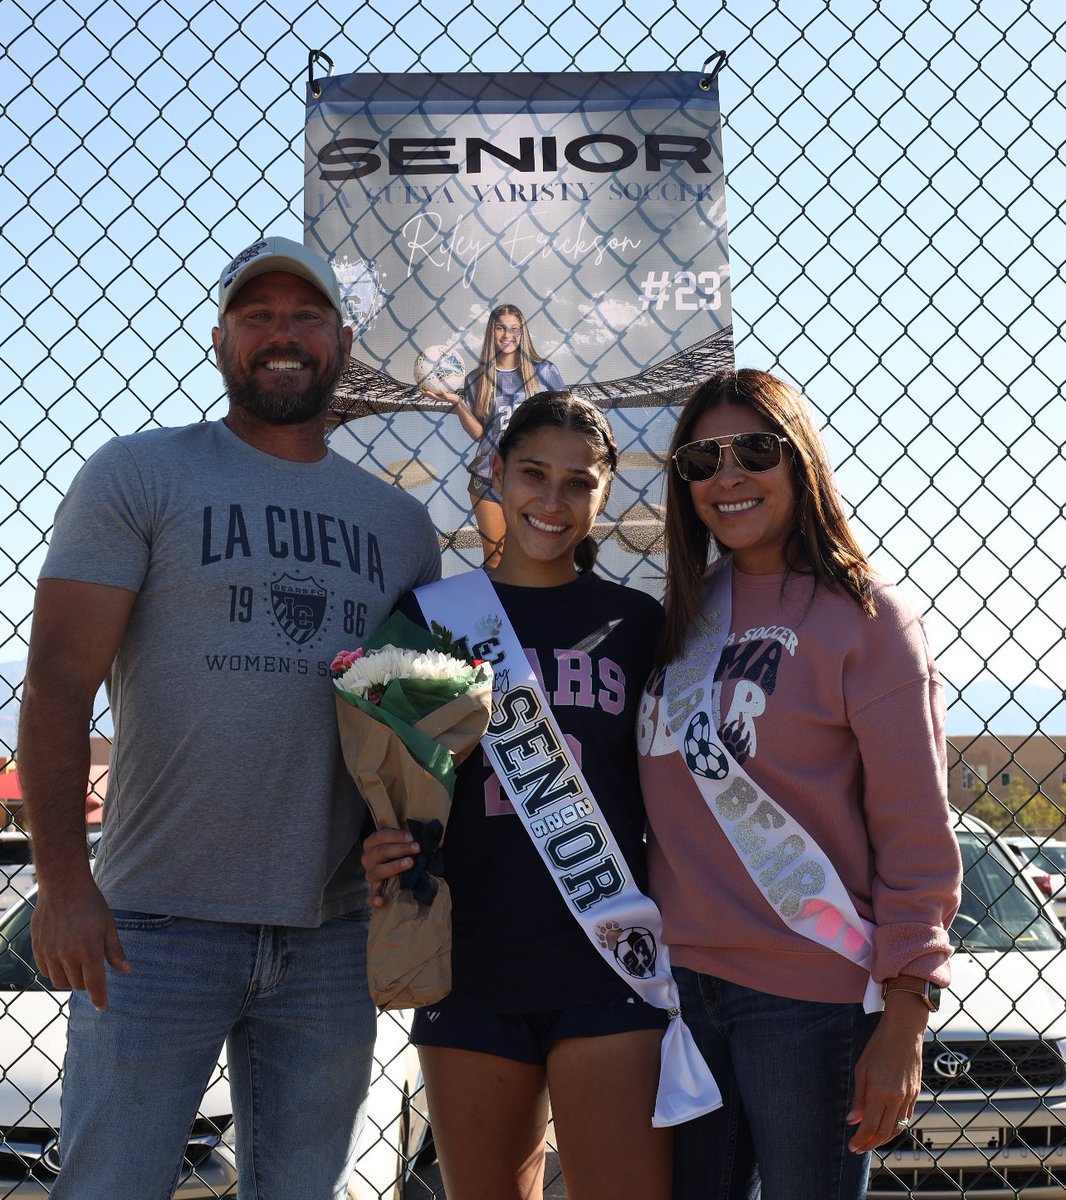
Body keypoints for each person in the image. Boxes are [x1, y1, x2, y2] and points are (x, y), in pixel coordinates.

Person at [17, 235, 442, 1198]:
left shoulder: (400, 526)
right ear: (220, 340)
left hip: (331, 930)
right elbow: (53, 685)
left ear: (341, 341)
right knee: (109, 1186)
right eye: (258, 316)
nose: (281, 336)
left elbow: (413, 733)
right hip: (151, 925)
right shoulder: (137, 476)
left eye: (304, 317)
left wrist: (402, 839)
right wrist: (61, 882)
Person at [638, 368, 963, 1200]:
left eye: (754, 450)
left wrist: (905, 1016)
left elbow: (916, 835)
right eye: (702, 461)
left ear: (801, 461)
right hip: (679, 999)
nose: (728, 476)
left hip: (811, 1001)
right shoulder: (678, 617)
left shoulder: (867, 619)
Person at [363, 392, 672, 1200]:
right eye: (533, 473)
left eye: (580, 481)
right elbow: (392, 788)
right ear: (496, 473)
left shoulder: (638, 621)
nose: (553, 500)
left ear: (605, 492)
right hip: (471, 963)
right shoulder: (433, 618)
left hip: (609, 957)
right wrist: (378, 841)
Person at [438, 304, 564, 566]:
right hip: (488, 477)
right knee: (496, 561)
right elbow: (479, 434)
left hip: (534, 478)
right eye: (500, 328)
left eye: (514, 329)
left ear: (522, 332)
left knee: (533, 558)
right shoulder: (477, 379)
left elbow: (563, 421)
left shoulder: (544, 372)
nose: (508, 335)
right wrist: (457, 403)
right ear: (491, 332)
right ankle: (495, 608)